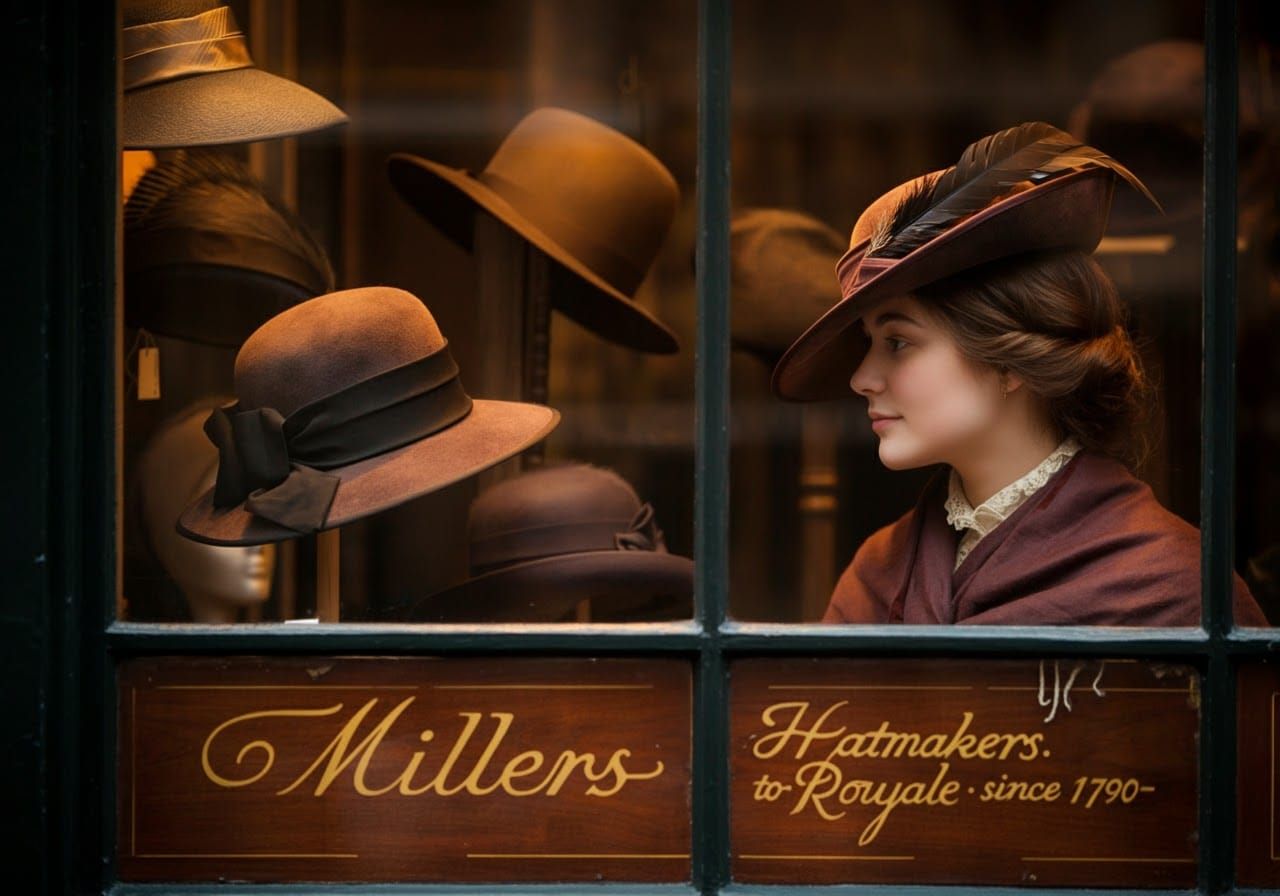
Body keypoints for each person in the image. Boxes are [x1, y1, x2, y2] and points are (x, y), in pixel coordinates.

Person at [771, 122, 1266, 626]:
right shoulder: (877, 573)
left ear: (1010, 359)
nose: (861, 378)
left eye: (898, 342)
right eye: (868, 344)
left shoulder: (1172, 589)